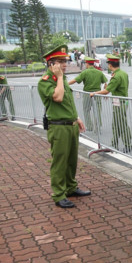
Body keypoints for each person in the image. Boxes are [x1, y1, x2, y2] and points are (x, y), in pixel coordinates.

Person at [38, 44, 91, 209]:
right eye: (60, 62)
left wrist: (77, 117)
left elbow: (68, 102)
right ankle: (59, 194)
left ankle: (70, 187)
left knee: (71, 160)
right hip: (59, 127)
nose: (65, 64)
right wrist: (59, 77)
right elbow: (58, 98)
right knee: (60, 162)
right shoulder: (45, 82)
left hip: (71, 125)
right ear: (51, 64)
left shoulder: (62, 80)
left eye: (64, 61)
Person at [90, 53, 132, 153]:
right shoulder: (123, 73)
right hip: (123, 101)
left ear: (110, 65)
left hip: (119, 103)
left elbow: (107, 91)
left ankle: (127, 144)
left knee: (121, 124)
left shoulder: (116, 76)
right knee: (117, 124)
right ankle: (114, 144)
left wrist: (95, 93)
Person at [69, 57, 108, 132]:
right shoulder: (99, 72)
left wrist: (66, 84)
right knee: (97, 111)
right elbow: (105, 83)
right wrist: (105, 93)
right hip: (97, 94)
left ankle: (89, 126)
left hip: (87, 94)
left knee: (86, 110)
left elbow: (75, 80)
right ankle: (98, 127)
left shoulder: (85, 72)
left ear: (87, 64)